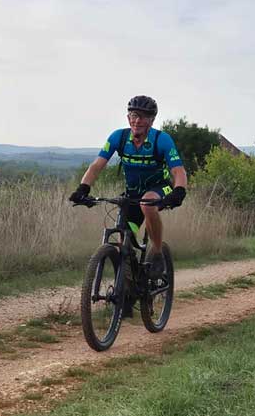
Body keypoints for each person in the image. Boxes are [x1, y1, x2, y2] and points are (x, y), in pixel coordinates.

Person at [69, 95, 187, 279]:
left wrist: (179, 191)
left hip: (160, 187)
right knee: (125, 237)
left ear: (152, 120)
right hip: (132, 193)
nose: (137, 120)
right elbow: (97, 165)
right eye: (134, 115)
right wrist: (83, 188)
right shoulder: (119, 137)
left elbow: (178, 171)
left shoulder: (161, 140)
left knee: (147, 204)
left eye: (143, 117)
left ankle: (156, 252)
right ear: (128, 118)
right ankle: (128, 289)